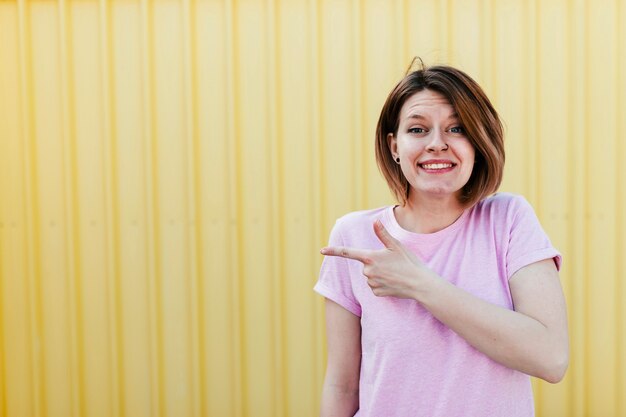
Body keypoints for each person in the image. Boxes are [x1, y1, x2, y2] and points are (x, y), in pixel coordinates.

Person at [314, 62, 569, 417]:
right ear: (394, 146)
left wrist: (420, 284)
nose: (437, 144)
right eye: (418, 129)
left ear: (479, 142)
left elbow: (551, 358)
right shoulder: (353, 237)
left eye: (457, 129)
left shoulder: (508, 219)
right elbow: (342, 385)